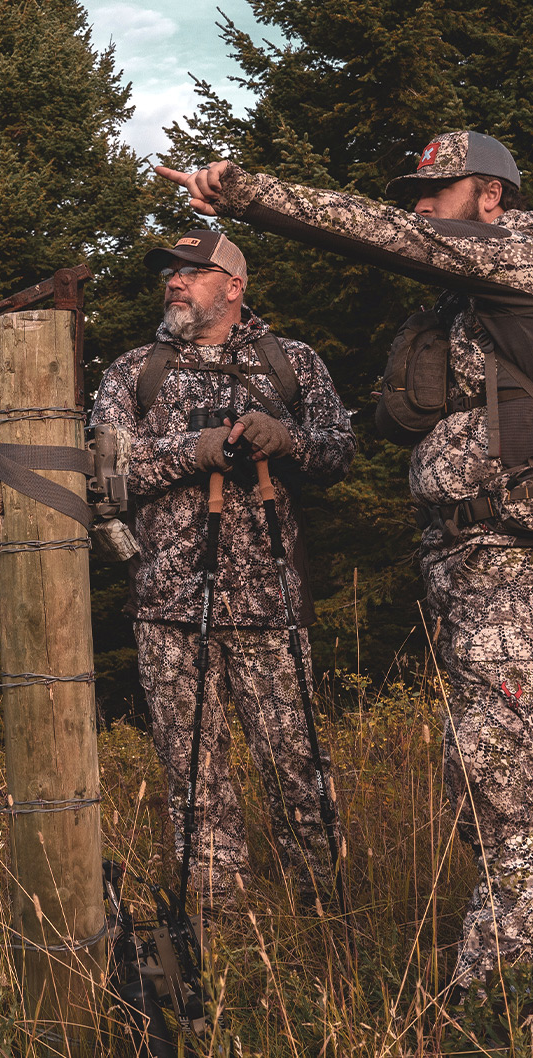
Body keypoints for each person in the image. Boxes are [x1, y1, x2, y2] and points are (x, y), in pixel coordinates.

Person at [155, 131, 533, 995]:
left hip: (524, 552)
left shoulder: (524, 257)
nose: (419, 207)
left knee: (489, 760)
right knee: (524, 756)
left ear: (489, 197)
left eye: (436, 191)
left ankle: (493, 992)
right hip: (477, 552)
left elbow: (381, 233)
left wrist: (244, 192)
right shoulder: (469, 305)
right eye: (414, 191)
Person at [90, 228, 355, 906]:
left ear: (234, 287)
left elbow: (338, 453)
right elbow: (109, 478)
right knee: (193, 775)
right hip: (168, 607)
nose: (175, 282)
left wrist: (285, 437)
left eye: (193, 271)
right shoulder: (132, 372)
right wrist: (196, 448)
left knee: (297, 768)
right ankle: (215, 920)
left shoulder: (291, 362)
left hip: (271, 604)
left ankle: (322, 913)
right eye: (170, 272)